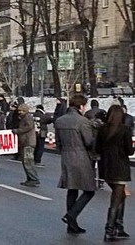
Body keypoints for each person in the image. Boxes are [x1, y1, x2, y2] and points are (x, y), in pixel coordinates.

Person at [55, 94, 97, 235]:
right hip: (81, 157)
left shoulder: (60, 121)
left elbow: (58, 143)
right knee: (89, 190)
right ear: (80, 106)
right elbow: (89, 142)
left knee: (72, 189)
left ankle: (71, 224)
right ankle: (71, 215)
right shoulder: (82, 121)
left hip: (66, 157)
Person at [96, 105, 134, 241]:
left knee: (121, 196)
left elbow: (97, 148)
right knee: (116, 199)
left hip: (106, 168)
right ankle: (110, 229)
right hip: (120, 168)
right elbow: (130, 151)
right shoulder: (125, 130)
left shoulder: (102, 130)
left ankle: (119, 227)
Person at [14, 103, 39, 187]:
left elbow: (28, 127)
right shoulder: (24, 117)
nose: (20, 112)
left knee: (28, 161)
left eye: (21, 111)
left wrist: (17, 131)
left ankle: (33, 178)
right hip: (26, 142)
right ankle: (30, 178)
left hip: (28, 142)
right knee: (26, 162)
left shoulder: (27, 117)